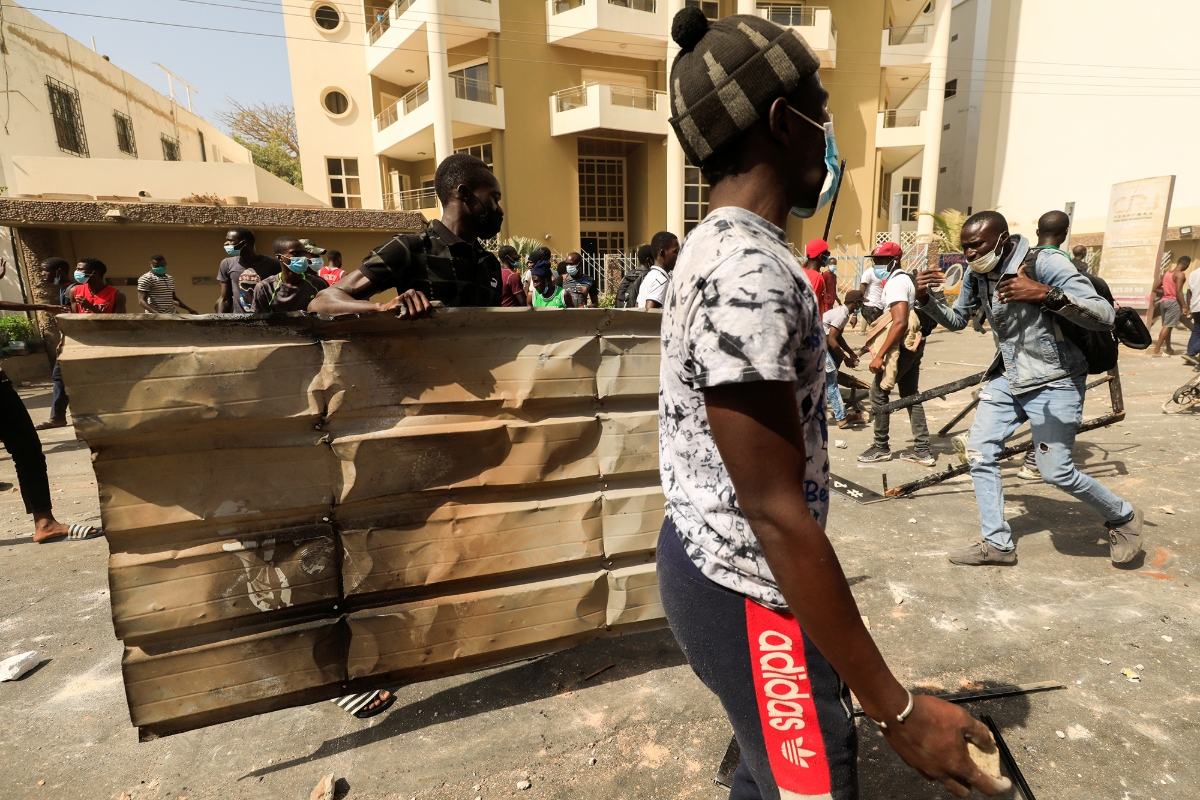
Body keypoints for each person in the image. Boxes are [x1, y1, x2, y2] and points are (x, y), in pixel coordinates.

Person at [658, 9, 1009, 800]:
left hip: (714, 559)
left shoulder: (715, 245)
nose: (831, 133)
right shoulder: (747, 271)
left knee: (772, 772)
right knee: (817, 779)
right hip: (746, 585)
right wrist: (902, 710)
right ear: (784, 124)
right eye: (821, 107)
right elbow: (775, 511)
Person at [915, 210, 1143, 566]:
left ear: (1002, 240)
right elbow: (958, 320)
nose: (970, 255)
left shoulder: (1045, 262)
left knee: (1056, 472)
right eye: (965, 249)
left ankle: (1124, 516)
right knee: (979, 452)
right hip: (1009, 376)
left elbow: (1104, 314)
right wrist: (928, 300)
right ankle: (998, 544)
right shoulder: (979, 275)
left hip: (1056, 379)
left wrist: (1045, 294)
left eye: (976, 247)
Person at [308, 153, 504, 318]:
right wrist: (383, 307)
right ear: (465, 194)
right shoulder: (409, 248)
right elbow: (321, 302)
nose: (500, 211)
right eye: (494, 198)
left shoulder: (490, 263)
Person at [857, 242, 934, 467]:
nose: (877, 264)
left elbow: (899, 322)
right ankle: (922, 450)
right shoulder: (903, 279)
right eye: (875, 260)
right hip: (912, 345)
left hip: (901, 346)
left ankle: (881, 446)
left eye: (881, 260)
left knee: (878, 392)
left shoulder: (896, 283)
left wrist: (880, 355)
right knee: (911, 395)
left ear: (895, 260)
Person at [36, 258, 74, 430]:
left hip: (72, 343)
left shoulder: (70, 290)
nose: (42, 274)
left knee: (60, 377)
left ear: (59, 271)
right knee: (61, 377)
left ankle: (58, 417)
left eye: (45, 270)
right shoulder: (64, 289)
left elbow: (73, 317)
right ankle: (57, 416)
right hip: (67, 341)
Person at [251, 237, 330, 313]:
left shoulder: (318, 284)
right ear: (279, 257)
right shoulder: (265, 288)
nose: (302, 257)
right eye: (295, 253)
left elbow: (327, 315)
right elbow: (259, 321)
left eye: (303, 253)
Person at [824, 290, 864, 428]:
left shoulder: (844, 313)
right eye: (861, 303)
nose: (861, 305)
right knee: (830, 379)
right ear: (855, 303)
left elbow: (838, 337)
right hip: (818, 345)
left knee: (832, 368)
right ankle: (841, 417)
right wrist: (846, 358)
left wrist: (850, 353)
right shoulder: (841, 315)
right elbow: (832, 340)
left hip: (824, 344)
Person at [217, 228, 280, 314]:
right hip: (240, 320)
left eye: (230, 240)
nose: (226, 243)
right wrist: (220, 323)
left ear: (243, 243)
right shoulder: (227, 264)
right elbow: (225, 299)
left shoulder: (272, 264)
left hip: (266, 319)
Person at [1150, 257, 1186, 357]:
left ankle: (1169, 348)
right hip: (1173, 302)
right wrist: (1184, 306)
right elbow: (1179, 291)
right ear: (1186, 264)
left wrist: (1166, 291)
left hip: (1163, 302)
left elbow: (1155, 289)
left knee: (1167, 326)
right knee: (1168, 326)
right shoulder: (1180, 274)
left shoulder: (1166, 274)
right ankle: (1157, 350)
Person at [636, 230, 679, 309]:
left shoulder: (649, 277)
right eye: (676, 252)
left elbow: (637, 307)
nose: (678, 256)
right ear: (662, 253)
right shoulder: (661, 281)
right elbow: (650, 314)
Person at [857, 243, 891, 324]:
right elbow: (860, 292)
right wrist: (855, 314)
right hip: (871, 307)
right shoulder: (868, 273)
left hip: (880, 306)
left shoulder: (884, 273)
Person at [802, 239, 830, 315]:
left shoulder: (801, 271)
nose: (828, 258)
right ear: (821, 256)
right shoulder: (817, 278)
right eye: (827, 254)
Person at [1185, 258, 1200, 364]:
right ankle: (1192, 352)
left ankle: (1190, 353)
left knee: (1197, 330)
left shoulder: (1194, 273)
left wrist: (1189, 306)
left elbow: (1189, 291)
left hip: (1195, 305)